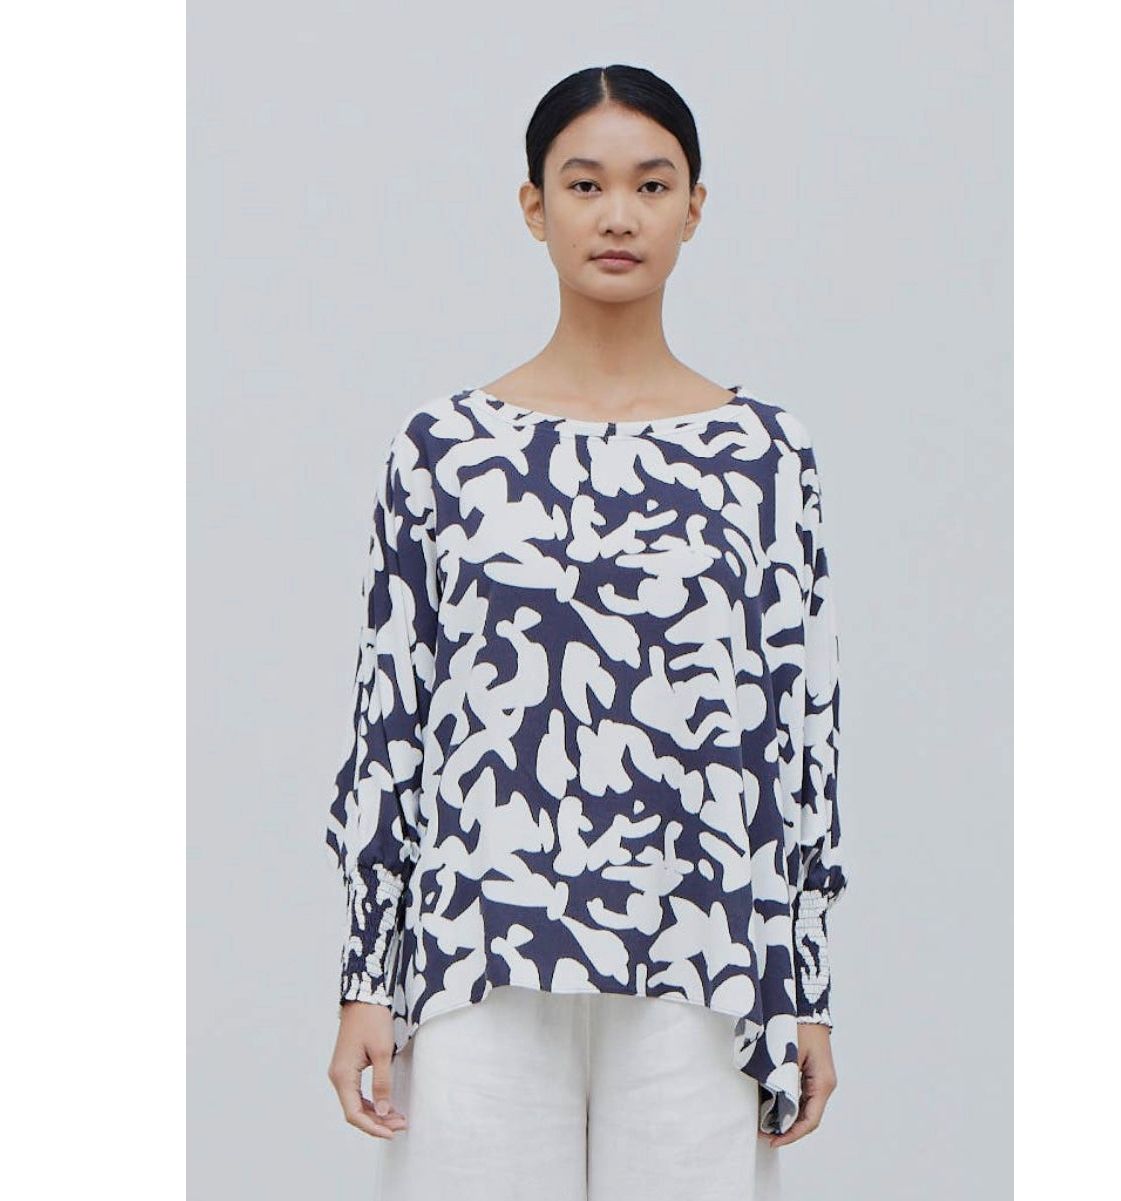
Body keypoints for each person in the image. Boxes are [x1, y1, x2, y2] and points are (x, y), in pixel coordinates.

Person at [323, 63, 849, 1201]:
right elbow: (390, 723)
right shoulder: (444, 452)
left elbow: (799, 736)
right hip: (481, 951)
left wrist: (802, 984)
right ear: (534, 206)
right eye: (584, 184)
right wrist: (368, 972)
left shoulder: (765, 458)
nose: (618, 215)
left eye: (651, 185)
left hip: (702, 953)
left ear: (693, 208)